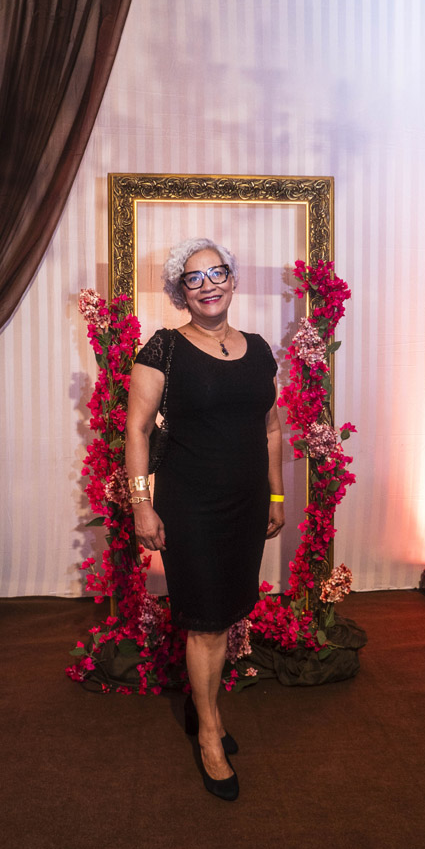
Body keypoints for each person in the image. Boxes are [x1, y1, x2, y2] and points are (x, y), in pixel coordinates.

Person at [124, 237, 285, 801]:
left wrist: (277, 495)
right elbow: (137, 429)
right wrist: (141, 504)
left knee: (228, 611)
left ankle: (202, 707)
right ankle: (210, 734)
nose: (208, 285)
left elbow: (270, 428)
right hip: (190, 505)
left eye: (217, 273)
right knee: (208, 621)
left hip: (246, 504)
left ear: (233, 281)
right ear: (180, 292)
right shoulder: (164, 348)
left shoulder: (259, 350)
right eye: (193, 278)